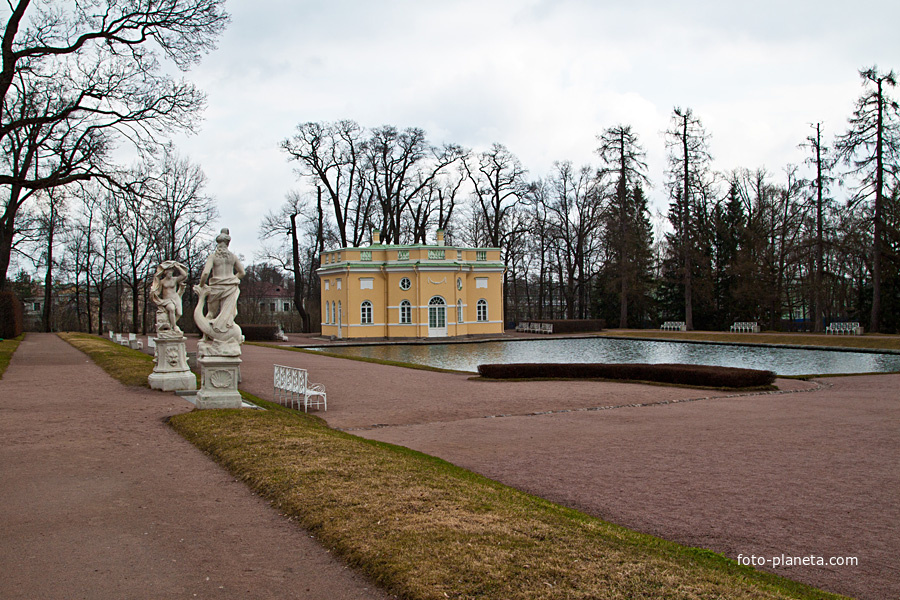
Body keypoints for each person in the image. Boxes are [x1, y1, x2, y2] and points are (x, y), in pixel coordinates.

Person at [195, 228, 245, 356]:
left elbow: (206, 273)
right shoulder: (232, 257)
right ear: (228, 243)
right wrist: (233, 279)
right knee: (229, 313)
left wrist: (202, 285)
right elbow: (242, 273)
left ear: (218, 243)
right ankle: (227, 335)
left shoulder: (213, 256)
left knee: (211, 313)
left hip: (216, 287)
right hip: (229, 287)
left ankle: (205, 337)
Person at [149, 261, 188, 336]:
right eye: (169, 273)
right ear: (165, 273)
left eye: (171, 273)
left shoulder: (174, 279)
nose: (171, 274)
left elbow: (184, 275)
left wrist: (178, 267)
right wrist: (153, 293)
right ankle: (174, 326)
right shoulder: (162, 282)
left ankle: (170, 324)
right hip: (167, 300)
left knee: (179, 313)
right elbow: (158, 292)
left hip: (176, 298)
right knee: (171, 309)